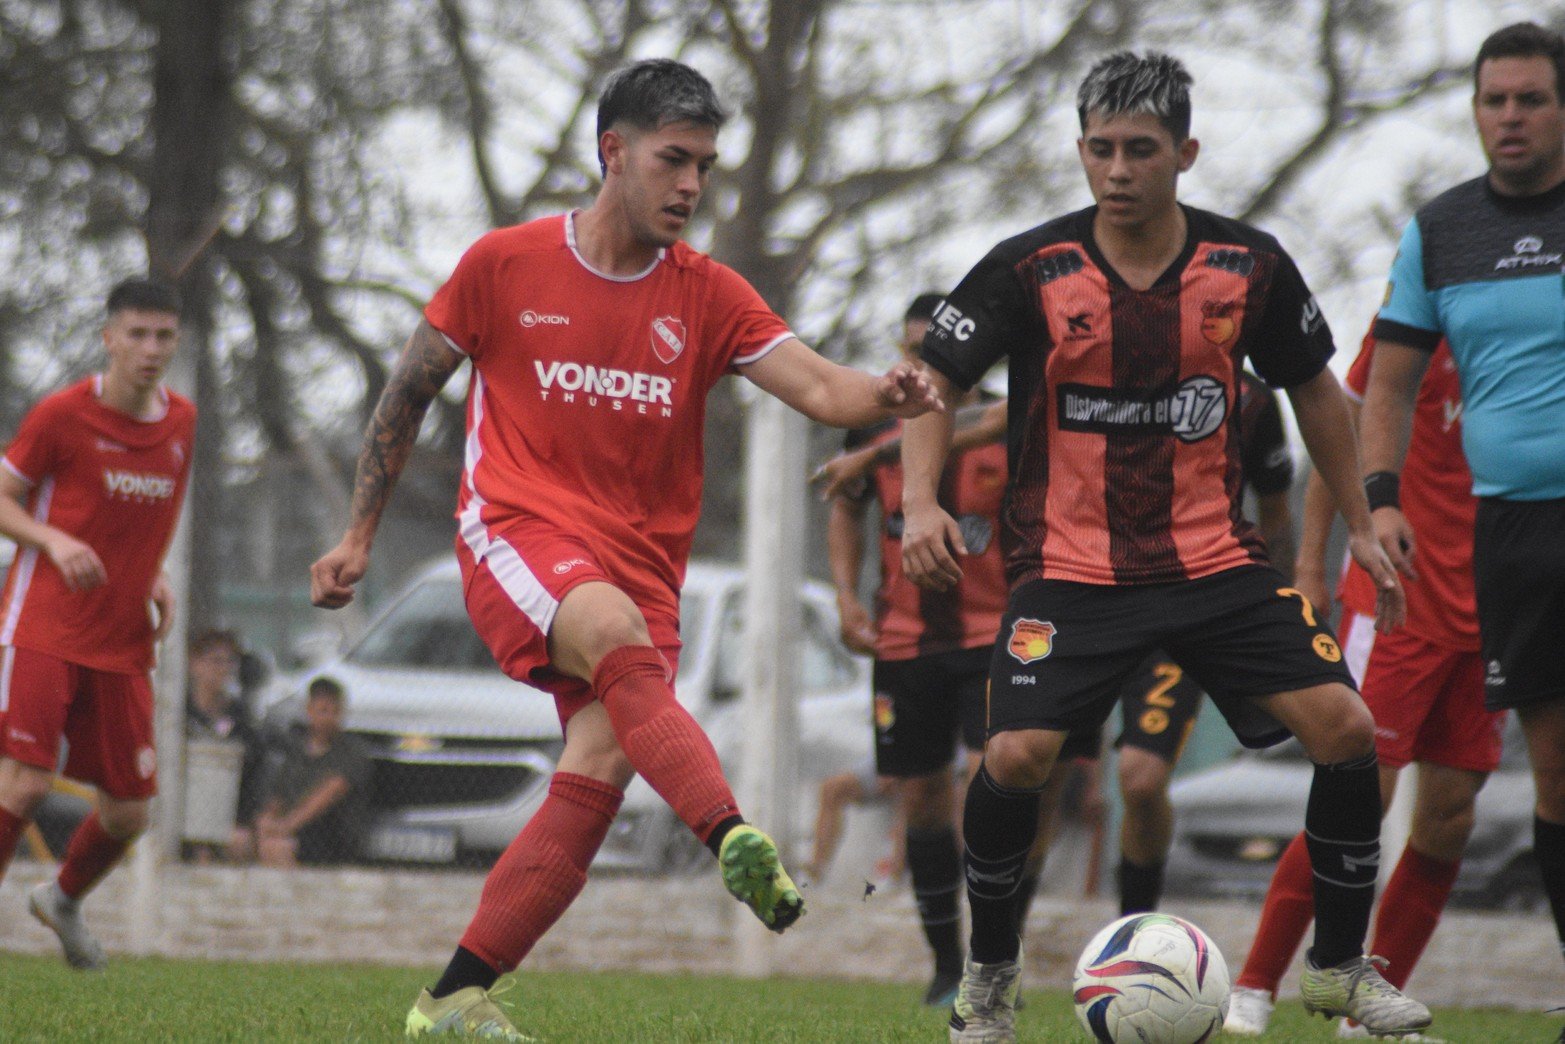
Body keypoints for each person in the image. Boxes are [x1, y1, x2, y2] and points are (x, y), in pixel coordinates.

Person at [307, 59, 942, 1040]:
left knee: (597, 770)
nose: (691, 185)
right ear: (614, 152)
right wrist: (358, 534)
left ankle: (450, 1002)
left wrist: (887, 393)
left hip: (642, 571)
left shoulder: (709, 294)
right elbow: (409, 388)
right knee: (605, 631)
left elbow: (823, 392)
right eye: (672, 160)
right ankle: (730, 834)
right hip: (516, 533)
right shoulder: (505, 264)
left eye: (704, 166)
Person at [900, 51, 1430, 1042]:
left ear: (1183, 153)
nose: (1115, 170)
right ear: (1078, 151)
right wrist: (923, 505)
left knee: (1344, 730)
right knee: (1016, 754)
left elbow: (1315, 386)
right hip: (1066, 572)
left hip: (1214, 567)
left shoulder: (1247, 265)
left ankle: (1340, 973)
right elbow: (933, 374)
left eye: (1138, 150)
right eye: (1097, 149)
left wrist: (1359, 522)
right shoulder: (1029, 267)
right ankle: (987, 981)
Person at [823, 369, 1297, 920]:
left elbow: (1279, 509)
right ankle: (994, 946)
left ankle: (1133, 931)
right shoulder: (1095, 359)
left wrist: (1285, 596)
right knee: (1015, 773)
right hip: (1081, 606)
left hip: (1177, 614)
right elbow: (977, 429)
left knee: (1138, 780)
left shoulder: (1248, 398)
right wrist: (870, 467)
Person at [1359, 21, 1565, 1024]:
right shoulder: (1439, 230)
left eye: (1529, 98)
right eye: (1493, 100)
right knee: (1554, 783)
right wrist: (1379, 497)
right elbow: (1383, 384)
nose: (1509, 117)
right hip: (1511, 539)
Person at [1225, 329, 1493, 1037]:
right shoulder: (1413, 321)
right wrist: (1311, 565)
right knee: (1358, 794)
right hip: (1397, 598)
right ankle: (1253, 985)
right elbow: (1334, 435)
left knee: (1449, 815)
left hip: (1496, 604)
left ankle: (1373, 1011)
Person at [0, 278, 194, 971]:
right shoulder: (61, 416)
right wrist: (51, 541)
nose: (150, 349)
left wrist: (158, 573)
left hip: (121, 643)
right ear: (108, 338)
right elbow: (3, 499)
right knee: (23, 781)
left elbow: (139, 520)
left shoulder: (183, 423)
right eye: (136, 334)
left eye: (163, 336)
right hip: (43, 625)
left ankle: (61, 899)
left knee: (128, 815)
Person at [826, 291, 1009, 1008]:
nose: (920, 361)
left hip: (996, 635)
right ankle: (945, 965)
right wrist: (844, 594)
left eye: (932, 348)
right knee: (922, 796)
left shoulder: (998, 415)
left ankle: (998, 953)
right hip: (903, 641)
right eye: (910, 347)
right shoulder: (871, 421)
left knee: (994, 785)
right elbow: (845, 506)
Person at [248, 677, 370, 867]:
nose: (329, 718)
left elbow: (327, 795)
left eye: (335, 712)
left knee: (278, 848)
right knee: (245, 842)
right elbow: (279, 794)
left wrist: (285, 827)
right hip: (293, 829)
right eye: (323, 711)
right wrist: (267, 819)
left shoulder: (351, 752)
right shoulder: (296, 749)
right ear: (309, 710)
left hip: (330, 834)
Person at [184, 627, 270, 861]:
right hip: (183, 814)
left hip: (227, 817)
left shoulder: (240, 718)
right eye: (215, 661)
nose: (223, 670)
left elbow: (253, 775)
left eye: (229, 663)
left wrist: (243, 823)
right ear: (195, 664)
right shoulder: (179, 714)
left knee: (239, 843)